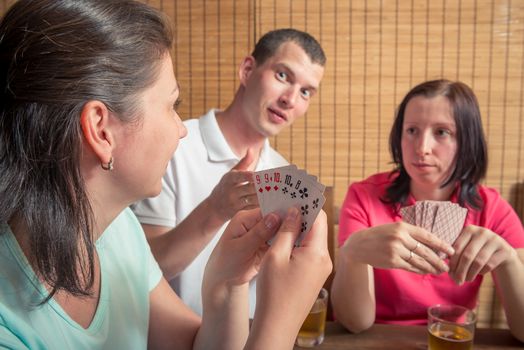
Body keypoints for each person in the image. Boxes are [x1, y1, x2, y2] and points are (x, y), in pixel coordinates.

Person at [0, 1, 332, 349]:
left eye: (306, 91)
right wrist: (279, 324)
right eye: (173, 105)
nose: (181, 129)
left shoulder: (117, 231)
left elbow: (194, 344)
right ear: (101, 129)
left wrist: (225, 284)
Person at [132, 28, 326, 316]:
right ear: (248, 70)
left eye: (306, 92)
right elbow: (145, 272)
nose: (291, 99)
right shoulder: (175, 147)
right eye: (283, 76)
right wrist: (216, 209)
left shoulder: (283, 175)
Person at [330, 79, 524, 341]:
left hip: (449, 338)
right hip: (376, 337)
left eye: (442, 132)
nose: (422, 148)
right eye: (411, 130)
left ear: (468, 141)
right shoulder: (364, 196)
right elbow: (356, 323)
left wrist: (509, 260)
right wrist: (352, 254)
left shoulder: (492, 209)